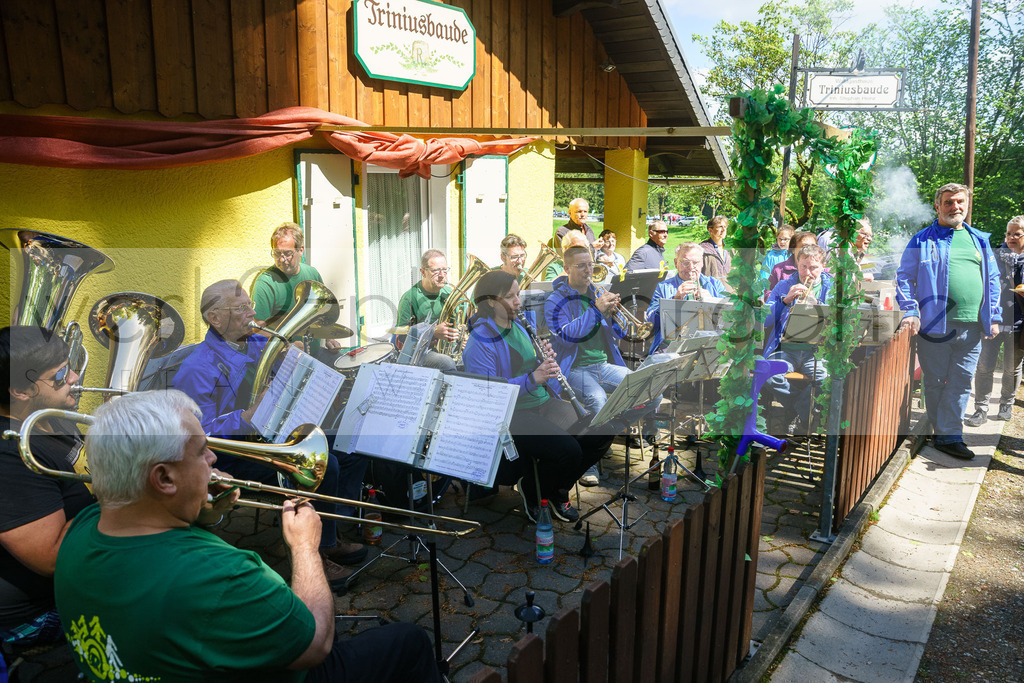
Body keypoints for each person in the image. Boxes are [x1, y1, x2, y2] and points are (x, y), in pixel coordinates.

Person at [54, 390, 441, 683]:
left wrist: (204, 514)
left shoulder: (82, 528)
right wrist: (306, 549)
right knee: (408, 641)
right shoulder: (219, 576)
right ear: (164, 478)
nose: (214, 461)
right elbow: (317, 643)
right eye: (203, 452)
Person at [171, 280, 367, 586]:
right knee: (325, 464)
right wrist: (245, 416)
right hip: (232, 454)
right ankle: (316, 554)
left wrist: (293, 355)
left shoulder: (253, 341)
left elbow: (284, 365)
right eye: (242, 308)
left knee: (348, 449)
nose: (253, 312)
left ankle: (329, 533)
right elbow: (198, 435)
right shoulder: (197, 367)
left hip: (269, 434)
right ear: (215, 318)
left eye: (250, 304)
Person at [463, 271, 613, 521]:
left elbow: (530, 365)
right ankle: (536, 490)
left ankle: (548, 488)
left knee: (602, 431)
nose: (517, 301)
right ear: (490, 301)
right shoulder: (481, 340)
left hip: (541, 402)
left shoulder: (519, 324)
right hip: (512, 414)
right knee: (570, 451)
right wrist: (533, 379)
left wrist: (543, 359)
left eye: (517, 294)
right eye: (509, 297)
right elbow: (488, 393)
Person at [0, 327, 93, 652]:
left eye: (71, 366)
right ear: (21, 390)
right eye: (60, 375)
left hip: (81, 568)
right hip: (34, 611)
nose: (75, 377)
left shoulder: (49, 414)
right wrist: (123, 488)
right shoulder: (9, 455)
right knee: (169, 592)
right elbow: (53, 559)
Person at [896, 182, 1002, 460]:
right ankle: (942, 430)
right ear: (937, 206)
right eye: (948, 202)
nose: (955, 207)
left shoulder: (979, 239)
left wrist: (994, 316)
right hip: (934, 327)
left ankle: (949, 435)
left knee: (962, 381)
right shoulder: (922, 239)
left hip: (973, 327)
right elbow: (904, 277)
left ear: (966, 205)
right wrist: (910, 310)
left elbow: (991, 280)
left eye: (960, 202)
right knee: (935, 381)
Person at [546, 246, 659, 483]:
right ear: (567, 268)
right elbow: (567, 336)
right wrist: (596, 310)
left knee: (652, 392)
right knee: (597, 400)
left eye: (590, 264)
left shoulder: (598, 291)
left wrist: (617, 315)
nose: (589, 270)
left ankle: (609, 430)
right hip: (574, 369)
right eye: (581, 266)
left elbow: (614, 333)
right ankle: (589, 464)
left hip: (603, 365)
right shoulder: (555, 300)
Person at [764, 245, 832, 433]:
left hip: (816, 351)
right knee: (770, 374)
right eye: (803, 267)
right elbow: (765, 319)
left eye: (813, 268)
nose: (807, 273)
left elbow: (839, 320)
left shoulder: (832, 286)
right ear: (797, 265)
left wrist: (817, 305)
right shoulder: (784, 285)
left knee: (826, 379)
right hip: (786, 349)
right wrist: (785, 301)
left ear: (823, 266)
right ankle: (802, 412)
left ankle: (795, 412)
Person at [965, 215, 1024, 426]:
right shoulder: (995, 256)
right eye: (1009, 233)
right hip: (992, 320)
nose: (1011, 237)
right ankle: (980, 409)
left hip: (1019, 323)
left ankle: (1006, 404)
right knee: (984, 366)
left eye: (1017, 233)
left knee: (1012, 368)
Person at [251, 222, 342, 358]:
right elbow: (256, 330)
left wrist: (329, 338)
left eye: (288, 253)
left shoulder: (312, 274)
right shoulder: (264, 283)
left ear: (300, 250)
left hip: (314, 354)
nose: (282, 259)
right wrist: (286, 346)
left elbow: (324, 313)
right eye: (277, 253)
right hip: (281, 359)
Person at [644, 243, 727, 355]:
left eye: (696, 262)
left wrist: (711, 301)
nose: (691, 267)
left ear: (702, 262)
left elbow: (729, 316)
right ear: (676, 263)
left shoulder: (715, 284)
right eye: (685, 262)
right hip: (672, 345)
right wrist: (674, 299)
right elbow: (652, 322)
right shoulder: (663, 287)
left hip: (709, 344)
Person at [395, 249, 460, 371]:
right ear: (423, 272)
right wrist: (433, 332)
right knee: (446, 362)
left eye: (445, 269)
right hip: (422, 353)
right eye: (435, 270)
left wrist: (464, 337)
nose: (442, 275)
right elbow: (401, 339)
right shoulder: (409, 298)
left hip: (450, 348)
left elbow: (459, 324)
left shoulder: (450, 293)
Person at [700, 215, 732, 281]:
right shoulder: (702, 249)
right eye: (720, 227)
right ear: (710, 230)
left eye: (725, 227)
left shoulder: (730, 249)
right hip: (711, 289)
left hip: (729, 289)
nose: (723, 230)